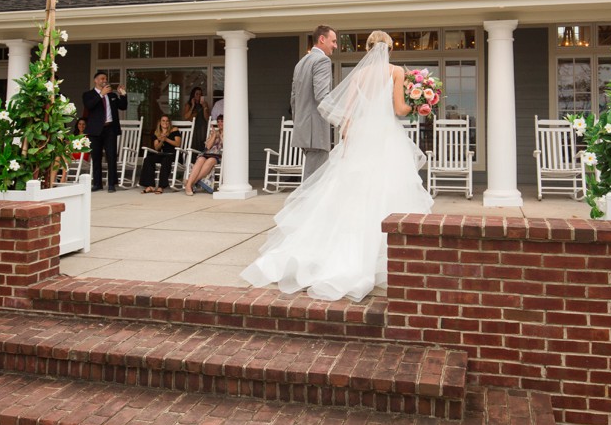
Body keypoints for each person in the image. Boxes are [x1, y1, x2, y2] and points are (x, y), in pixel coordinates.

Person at [241, 30, 433, 302]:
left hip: (361, 136)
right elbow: (400, 110)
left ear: (368, 48)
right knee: (386, 191)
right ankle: (381, 255)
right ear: (388, 48)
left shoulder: (359, 75)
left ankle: (334, 251)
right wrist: (419, 104)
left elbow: (348, 112)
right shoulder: (396, 72)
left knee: (349, 193)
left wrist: (348, 135)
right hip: (385, 137)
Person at [291, 25, 337, 179]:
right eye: (334, 41)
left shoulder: (301, 63)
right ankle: (301, 204)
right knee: (314, 183)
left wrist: (299, 124)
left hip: (304, 130)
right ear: (322, 39)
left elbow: (293, 100)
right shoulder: (322, 60)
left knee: (313, 178)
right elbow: (322, 96)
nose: (335, 46)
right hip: (316, 132)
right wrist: (341, 119)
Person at [82, 72, 128, 192]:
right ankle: (97, 183)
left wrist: (122, 94)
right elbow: (89, 106)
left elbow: (123, 106)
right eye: (102, 78)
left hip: (110, 129)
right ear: (95, 81)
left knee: (111, 156)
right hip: (95, 130)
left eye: (106, 79)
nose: (105, 80)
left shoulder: (111, 95)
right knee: (96, 157)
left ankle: (112, 183)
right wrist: (101, 95)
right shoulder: (88, 95)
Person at [139, 115, 181, 193]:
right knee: (148, 159)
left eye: (167, 121)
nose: (165, 122)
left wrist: (166, 139)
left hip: (174, 154)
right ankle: (150, 185)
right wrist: (161, 141)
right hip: (163, 154)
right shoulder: (156, 133)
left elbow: (178, 144)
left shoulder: (174, 129)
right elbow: (157, 148)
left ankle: (161, 186)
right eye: (163, 120)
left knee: (166, 160)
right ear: (160, 122)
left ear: (169, 122)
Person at [184, 115, 224, 195]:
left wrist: (220, 136)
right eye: (218, 122)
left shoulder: (230, 133)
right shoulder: (214, 133)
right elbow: (208, 146)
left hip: (217, 156)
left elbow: (226, 146)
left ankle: (190, 183)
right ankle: (190, 185)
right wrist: (213, 136)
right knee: (200, 159)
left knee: (210, 161)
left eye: (222, 121)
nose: (219, 123)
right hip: (207, 153)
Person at [58, 118, 89, 183]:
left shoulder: (88, 136)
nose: (81, 126)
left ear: (86, 125)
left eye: (83, 124)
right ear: (77, 125)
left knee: (65, 156)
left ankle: (63, 179)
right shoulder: (74, 135)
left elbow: (85, 147)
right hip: (73, 154)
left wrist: (71, 144)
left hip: (82, 155)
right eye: (79, 124)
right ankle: (62, 178)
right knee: (63, 154)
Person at [183, 87, 209, 152]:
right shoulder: (188, 104)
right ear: (193, 95)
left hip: (202, 127)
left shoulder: (204, 104)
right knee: (193, 144)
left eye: (200, 94)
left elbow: (207, 118)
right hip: (193, 127)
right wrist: (192, 106)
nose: (198, 96)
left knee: (202, 144)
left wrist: (204, 107)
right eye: (197, 94)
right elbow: (186, 117)